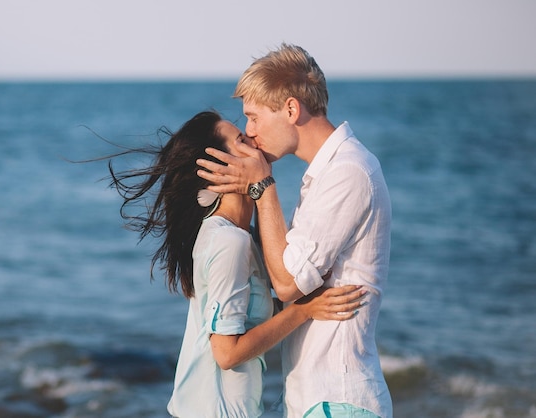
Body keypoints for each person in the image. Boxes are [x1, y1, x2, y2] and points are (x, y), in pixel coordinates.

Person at [106, 110, 366, 418]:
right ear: (220, 170)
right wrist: (303, 311)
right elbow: (226, 354)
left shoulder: (244, 237)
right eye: (241, 140)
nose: (253, 138)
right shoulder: (230, 242)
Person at [196, 44, 393, 418]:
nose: (250, 133)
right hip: (320, 401)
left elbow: (287, 284)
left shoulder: (347, 173)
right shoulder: (325, 174)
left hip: (338, 400)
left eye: (253, 118)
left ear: (290, 109)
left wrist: (262, 186)